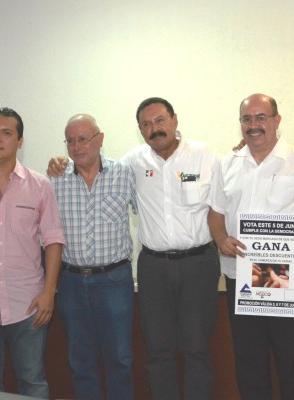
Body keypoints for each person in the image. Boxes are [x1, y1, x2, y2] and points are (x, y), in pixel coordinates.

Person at [48, 98, 220, 400]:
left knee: (192, 347)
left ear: (174, 120)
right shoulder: (126, 166)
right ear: (140, 129)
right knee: (152, 350)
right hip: (138, 269)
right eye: (146, 124)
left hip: (189, 265)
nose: (154, 128)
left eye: (160, 120)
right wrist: (56, 162)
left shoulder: (201, 156)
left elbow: (220, 202)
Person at [208, 93, 294, 399]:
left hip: (286, 278)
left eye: (261, 117)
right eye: (247, 119)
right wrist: (220, 238)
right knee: (249, 363)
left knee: (292, 362)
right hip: (241, 279)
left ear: (276, 120)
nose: (254, 125)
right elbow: (215, 213)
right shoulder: (227, 163)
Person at [49, 114, 137, 400]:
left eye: (83, 139)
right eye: (70, 141)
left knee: (120, 358)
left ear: (100, 139)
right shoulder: (54, 179)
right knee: (80, 360)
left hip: (115, 280)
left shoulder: (124, 173)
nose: (76, 147)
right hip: (71, 281)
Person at [0, 108, 65, 398]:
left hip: (28, 305)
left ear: (20, 141)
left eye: (6, 133)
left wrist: (49, 292)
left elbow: (53, 240)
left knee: (32, 381)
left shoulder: (39, 185)